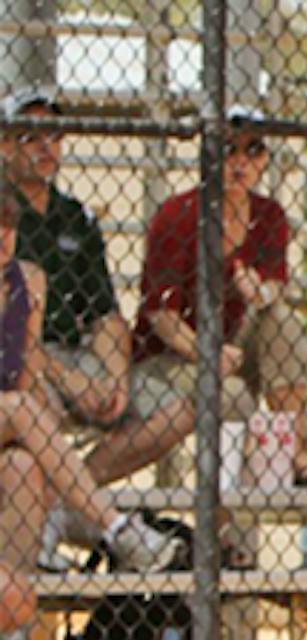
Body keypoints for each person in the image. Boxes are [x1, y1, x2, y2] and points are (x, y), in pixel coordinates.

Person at [0, 187, 185, 640]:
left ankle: (12, 628)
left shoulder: (27, 281)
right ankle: (117, 527)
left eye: (8, 229)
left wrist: (45, 396)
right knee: (23, 408)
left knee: (24, 463)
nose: (2, 239)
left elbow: (23, 368)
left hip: (9, 420)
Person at [3, 89, 190, 487]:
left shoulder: (75, 216)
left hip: (76, 352)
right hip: (26, 360)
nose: (45, 147)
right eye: (30, 136)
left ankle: (75, 494)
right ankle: (62, 504)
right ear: (4, 146)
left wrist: (114, 379)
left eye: (54, 135)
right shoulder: (3, 212)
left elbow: (104, 314)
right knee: (39, 411)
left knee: (178, 409)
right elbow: (14, 337)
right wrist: (72, 381)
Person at [132, 105, 307, 444]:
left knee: (285, 323)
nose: (240, 161)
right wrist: (208, 353)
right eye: (229, 149)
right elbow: (161, 316)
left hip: (235, 344)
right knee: (233, 395)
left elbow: (275, 282)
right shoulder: (178, 214)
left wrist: (261, 294)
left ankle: (293, 453)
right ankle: (226, 486)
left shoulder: (269, 214)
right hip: (174, 353)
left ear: (266, 158)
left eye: (253, 149)